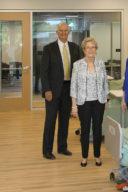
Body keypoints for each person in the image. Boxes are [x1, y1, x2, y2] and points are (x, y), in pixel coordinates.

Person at [41, 22, 82, 160]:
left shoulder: (75, 48)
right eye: (61, 31)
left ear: (69, 32)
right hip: (52, 90)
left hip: (68, 89)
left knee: (65, 120)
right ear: (57, 32)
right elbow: (44, 72)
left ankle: (62, 147)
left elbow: (79, 70)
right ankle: (47, 150)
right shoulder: (48, 49)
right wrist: (46, 89)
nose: (64, 33)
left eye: (66, 31)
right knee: (50, 121)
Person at [70, 37, 109, 167]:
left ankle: (97, 156)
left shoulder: (101, 63)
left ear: (96, 49)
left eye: (93, 47)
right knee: (85, 130)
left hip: (99, 102)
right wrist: (74, 105)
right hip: (83, 102)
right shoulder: (77, 64)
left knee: (97, 129)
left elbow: (105, 84)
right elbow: (73, 85)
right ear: (84, 50)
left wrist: (106, 99)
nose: (91, 50)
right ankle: (84, 156)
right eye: (88, 47)